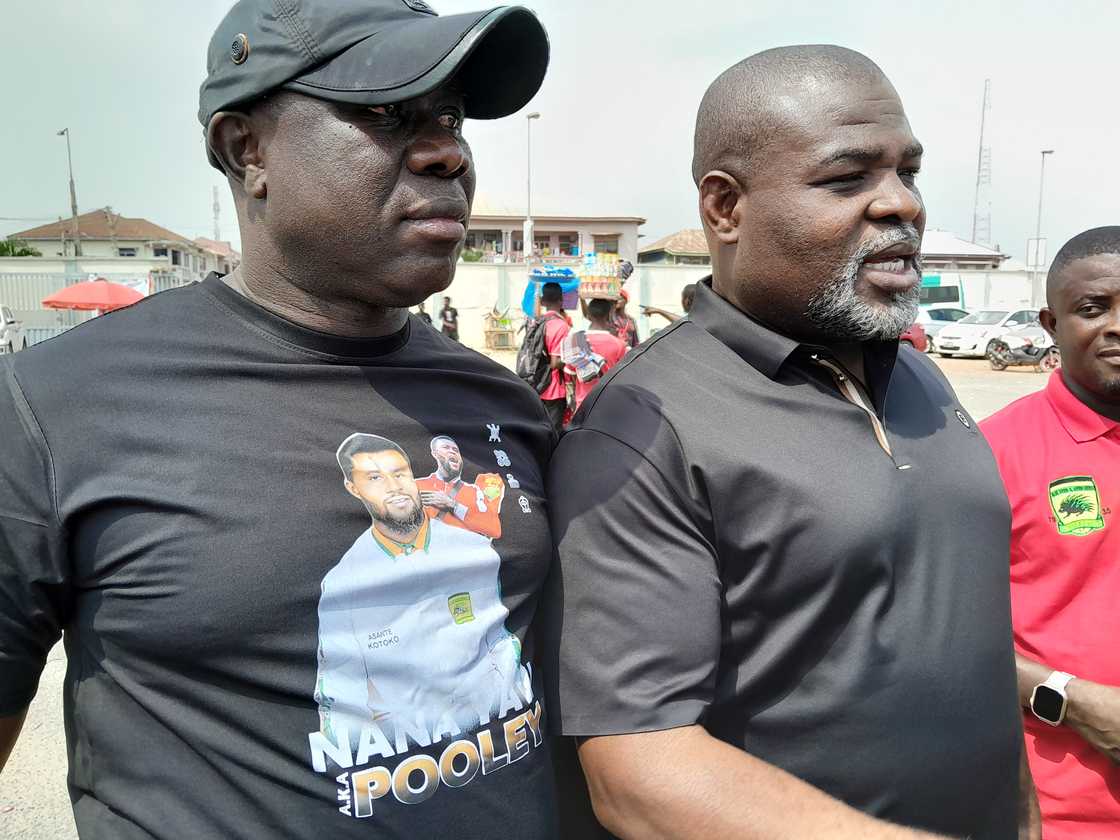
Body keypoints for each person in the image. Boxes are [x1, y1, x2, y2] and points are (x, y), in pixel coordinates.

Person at [0, 1, 559, 837]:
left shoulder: (504, 404)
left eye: (449, 116)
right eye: (383, 112)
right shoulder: (55, 406)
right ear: (245, 149)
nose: (447, 150)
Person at [542, 46, 1034, 840]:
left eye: (908, 171)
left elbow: (963, 640)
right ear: (725, 208)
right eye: (848, 179)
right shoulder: (643, 428)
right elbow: (640, 772)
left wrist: (1020, 809)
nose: (900, 204)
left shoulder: (922, 380)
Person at [981, 226, 1120, 840]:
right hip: (1063, 812)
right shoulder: (990, 454)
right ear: (1049, 322)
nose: (1118, 325)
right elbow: (945, 639)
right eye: (1094, 309)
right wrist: (1072, 699)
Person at [316, 434, 532, 746]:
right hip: (406, 760)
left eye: (400, 473)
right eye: (374, 478)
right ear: (353, 487)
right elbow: (339, 689)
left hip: (498, 740)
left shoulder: (473, 548)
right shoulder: (343, 581)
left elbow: (499, 643)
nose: (394, 486)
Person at [415, 434, 505, 539]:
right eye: (446, 448)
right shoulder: (416, 485)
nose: (452, 451)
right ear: (435, 454)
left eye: (455, 450)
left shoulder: (474, 491)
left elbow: (494, 530)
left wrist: (452, 505)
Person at [564, 298, 628, 414]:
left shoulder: (574, 341)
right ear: (609, 315)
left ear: (588, 315)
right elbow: (623, 378)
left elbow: (572, 376)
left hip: (582, 405)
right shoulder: (619, 345)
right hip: (608, 404)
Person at [536, 281, 570, 433]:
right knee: (553, 432)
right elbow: (556, 363)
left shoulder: (536, 322)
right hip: (553, 387)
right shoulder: (560, 325)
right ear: (561, 300)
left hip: (535, 382)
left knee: (540, 428)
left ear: (543, 301)